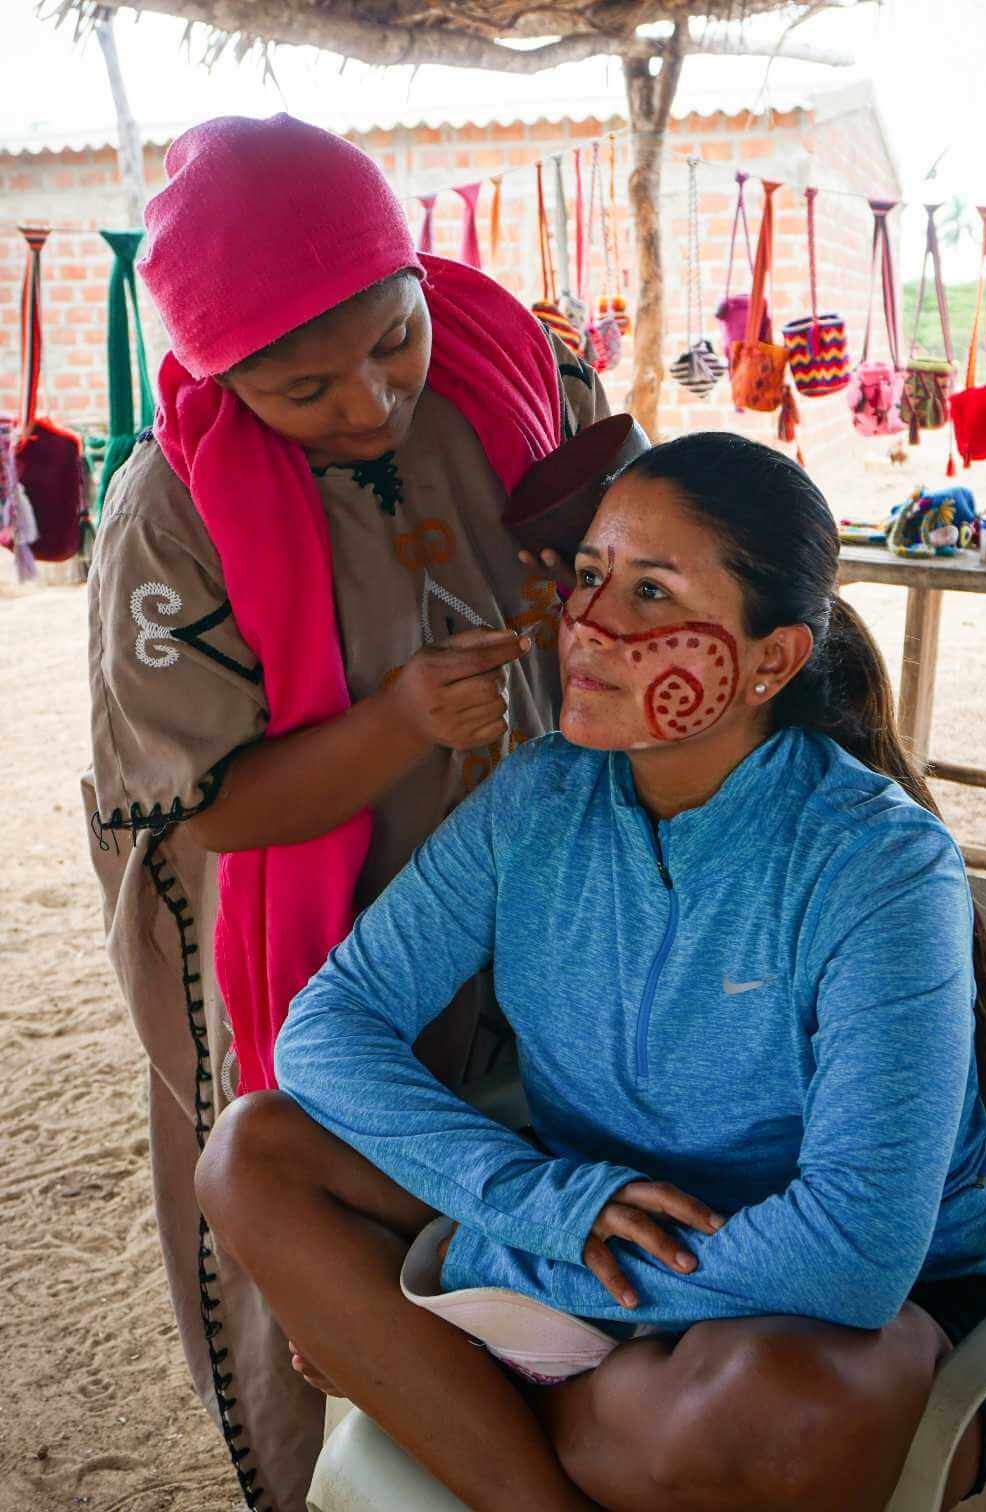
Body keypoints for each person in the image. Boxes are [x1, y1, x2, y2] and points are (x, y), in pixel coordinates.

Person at [196, 433, 986, 1512]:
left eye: (650, 592)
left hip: (833, 1316)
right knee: (253, 1153)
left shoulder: (880, 864)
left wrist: (481, 1276)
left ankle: (472, 1390)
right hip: (591, 1221)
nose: (588, 626)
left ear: (769, 659)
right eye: (589, 577)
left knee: (771, 1414)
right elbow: (326, 1030)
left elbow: (854, 1254)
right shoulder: (538, 800)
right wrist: (539, 1201)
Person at [83, 112, 607, 1511]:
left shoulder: (509, 361)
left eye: (392, 340)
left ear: (416, 276)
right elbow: (210, 817)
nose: (372, 404)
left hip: (524, 885)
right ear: (215, 368)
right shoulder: (168, 510)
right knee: (314, 1206)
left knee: (540, 1167)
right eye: (304, 389)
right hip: (304, 928)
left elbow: (624, 538)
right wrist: (398, 726)